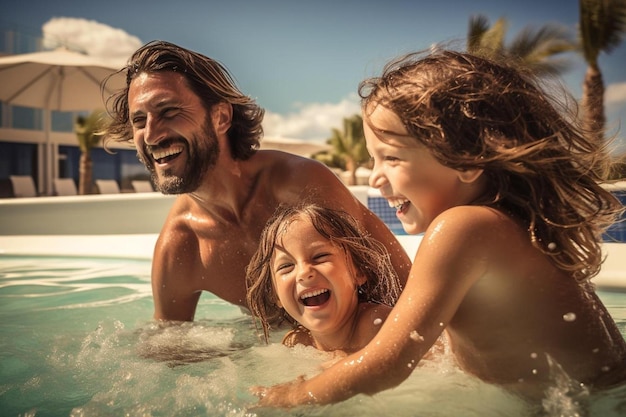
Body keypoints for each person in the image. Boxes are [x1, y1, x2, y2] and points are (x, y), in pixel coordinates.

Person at [251, 48, 626, 407]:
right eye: (373, 159)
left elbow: (387, 366)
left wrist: (289, 396)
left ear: (467, 160)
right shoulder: (506, 225)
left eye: (392, 157)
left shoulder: (462, 227)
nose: (377, 178)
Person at [102, 40, 411, 322]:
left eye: (169, 111)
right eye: (138, 121)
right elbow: (170, 349)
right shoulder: (183, 246)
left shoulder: (298, 186)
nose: (152, 134)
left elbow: (401, 291)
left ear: (221, 118)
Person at [246, 203, 402, 354]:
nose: (304, 273)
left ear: (359, 272)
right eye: (286, 267)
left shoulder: (378, 323)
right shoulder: (296, 343)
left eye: (320, 256)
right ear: (275, 295)